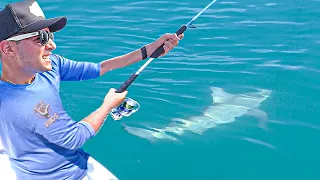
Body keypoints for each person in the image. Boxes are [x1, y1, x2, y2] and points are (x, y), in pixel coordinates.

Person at [0, 1, 183, 180]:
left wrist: (148, 50)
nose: (52, 46)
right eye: (41, 38)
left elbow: (99, 68)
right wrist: (107, 106)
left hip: (77, 163)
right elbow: (74, 138)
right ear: (8, 48)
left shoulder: (51, 65)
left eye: (50, 36)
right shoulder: (16, 104)